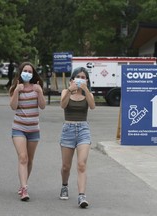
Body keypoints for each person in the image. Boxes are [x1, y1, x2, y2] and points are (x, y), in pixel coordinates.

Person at [59, 67, 95, 208]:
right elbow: (63, 105)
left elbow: (92, 106)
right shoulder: (65, 92)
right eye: (78, 76)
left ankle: (82, 196)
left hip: (83, 130)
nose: (80, 79)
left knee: (81, 164)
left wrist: (85, 90)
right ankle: (64, 185)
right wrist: (69, 90)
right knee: (66, 166)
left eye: (83, 77)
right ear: (72, 79)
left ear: (86, 80)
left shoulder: (88, 94)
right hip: (68, 130)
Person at [9, 62, 46, 201]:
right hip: (19, 128)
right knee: (23, 157)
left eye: (30, 71)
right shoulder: (15, 88)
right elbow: (13, 106)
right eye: (25, 70)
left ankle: (23, 183)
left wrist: (40, 92)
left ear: (33, 74)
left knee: (29, 159)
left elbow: (42, 106)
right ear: (20, 72)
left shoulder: (37, 88)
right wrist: (17, 91)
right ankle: (24, 189)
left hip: (33, 129)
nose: (27, 73)